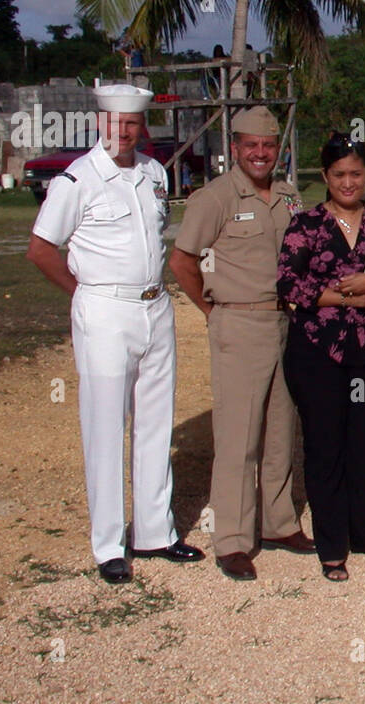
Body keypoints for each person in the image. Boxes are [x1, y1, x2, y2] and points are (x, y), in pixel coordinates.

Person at [26, 83, 203, 584]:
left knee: (155, 421)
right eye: (113, 123)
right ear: (99, 123)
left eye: (131, 124)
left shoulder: (152, 172)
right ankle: (109, 545)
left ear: (140, 127)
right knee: (105, 427)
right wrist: (81, 294)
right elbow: (41, 249)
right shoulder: (77, 179)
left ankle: (155, 532)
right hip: (104, 309)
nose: (122, 132)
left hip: (154, 305)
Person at [169, 105, 315, 581]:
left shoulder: (289, 196)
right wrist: (213, 313)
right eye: (250, 145)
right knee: (238, 439)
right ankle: (232, 539)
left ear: (278, 149)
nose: (259, 153)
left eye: (268, 145)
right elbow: (182, 261)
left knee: (279, 432)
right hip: (237, 323)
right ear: (235, 148)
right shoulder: (214, 198)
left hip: (283, 322)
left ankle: (278, 524)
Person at [277, 135, 365, 581]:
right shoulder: (306, 225)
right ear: (325, 177)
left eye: (356, 173)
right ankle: (331, 547)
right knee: (325, 448)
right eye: (339, 174)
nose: (348, 181)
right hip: (318, 352)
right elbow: (286, 283)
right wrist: (341, 295)